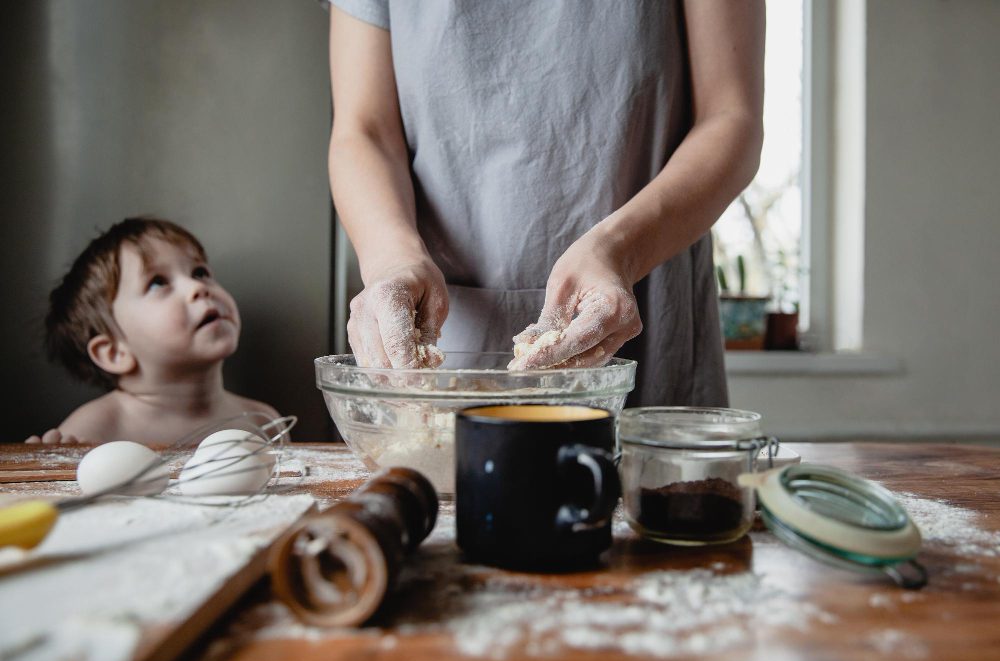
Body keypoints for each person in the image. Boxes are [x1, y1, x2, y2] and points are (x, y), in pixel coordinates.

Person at [327, 0, 764, 407]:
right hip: (453, 330)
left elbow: (730, 119)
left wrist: (619, 251)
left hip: (650, 307)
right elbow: (364, 130)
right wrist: (392, 261)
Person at [26, 217, 278, 444]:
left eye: (200, 272)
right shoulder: (94, 430)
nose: (197, 287)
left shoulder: (263, 422)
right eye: (158, 283)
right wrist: (53, 465)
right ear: (114, 351)